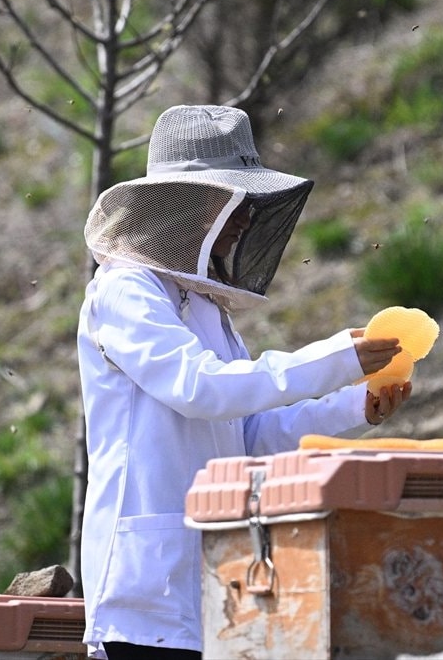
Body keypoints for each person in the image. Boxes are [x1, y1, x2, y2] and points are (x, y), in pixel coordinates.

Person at [76, 104, 413, 659]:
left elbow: (249, 436)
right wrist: (335, 358)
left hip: (222, 587)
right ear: (188, 203)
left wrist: (356, 405)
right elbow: (202, 388)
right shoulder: (124, 292)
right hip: (146, 601)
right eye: (231, 201)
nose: (244, 220)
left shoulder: (207, 310)